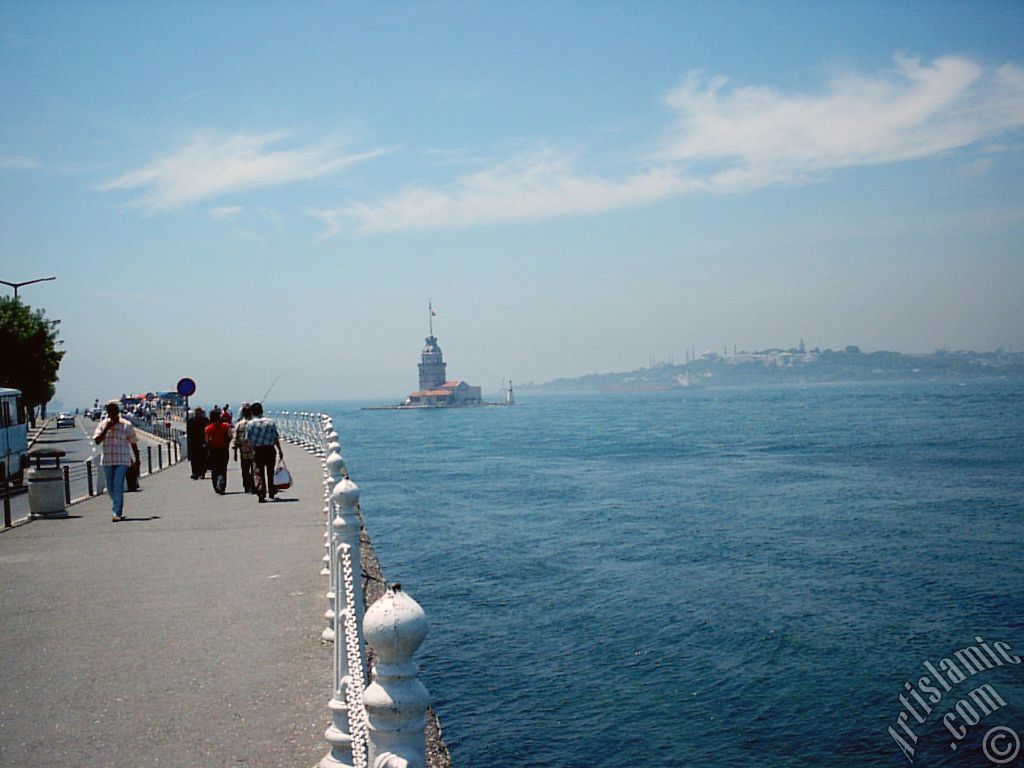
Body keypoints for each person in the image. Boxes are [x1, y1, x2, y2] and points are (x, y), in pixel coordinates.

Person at [93, 400, 141, 522]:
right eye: (110, 412)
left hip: (122, 459)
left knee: (118, 484)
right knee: (110, 487)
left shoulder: (126, 425)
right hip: (108, 459)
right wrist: (106, 429)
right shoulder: (103, 424)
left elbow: (133, 443)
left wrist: (137, 459)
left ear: (117, 412)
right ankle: (117, 503)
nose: (112, 415)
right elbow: (97, 441)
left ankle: (117, 512)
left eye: (113, 412)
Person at [246, 402, 283, 503]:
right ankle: (271, 491)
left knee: (258, 472)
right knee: (270, 472)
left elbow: (248, 439)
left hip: (257, 450)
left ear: (252, 412)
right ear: (262, 410)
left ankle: (261, 492)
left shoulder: (250, 424)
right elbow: (275, 438)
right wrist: (280, 450)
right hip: (270, 449)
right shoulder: (270, 422)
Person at [204, 408, 232, 495]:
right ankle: (222, 485)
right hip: (224, 450)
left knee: (214, 469)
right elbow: (230, 436)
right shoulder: (226, 426)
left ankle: (216, 486)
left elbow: (207, 440)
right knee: (223, 468)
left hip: (213, 451)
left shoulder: (208, 428)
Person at [232, 403, 255, 494]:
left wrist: (235, 452)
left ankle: (246, 486)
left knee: (245, 470)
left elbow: (235, 439)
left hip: (243, 451)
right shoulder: (254, 423)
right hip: (254, 451)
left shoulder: (239, 424)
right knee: (254, 469)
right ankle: (253, 485)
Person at [186, 407, 209, 480]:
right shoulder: (190, 421)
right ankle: (195, 473)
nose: (197, 413)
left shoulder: (205, 420)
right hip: (194, 442)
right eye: (196, 412)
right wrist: (189, 441)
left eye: (199, 412)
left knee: (202, 458)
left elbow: (207, 431)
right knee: (194, 459)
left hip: (202, 442)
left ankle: (202, 472)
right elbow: (188, 432)